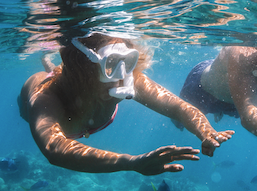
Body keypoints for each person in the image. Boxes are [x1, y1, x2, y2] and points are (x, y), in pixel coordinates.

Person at [18, 32, 235, 176]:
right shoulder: (46, 99)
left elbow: (177, 106)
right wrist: (131, 162)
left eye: (127, 61)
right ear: (83, 69)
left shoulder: (126, 77)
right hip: (40, 89)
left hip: (75, 87)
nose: (122, 76)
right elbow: (53, 148)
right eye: (111, 63)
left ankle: (51, 63)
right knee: (32, 101)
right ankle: (48, 63)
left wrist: (205, 131)